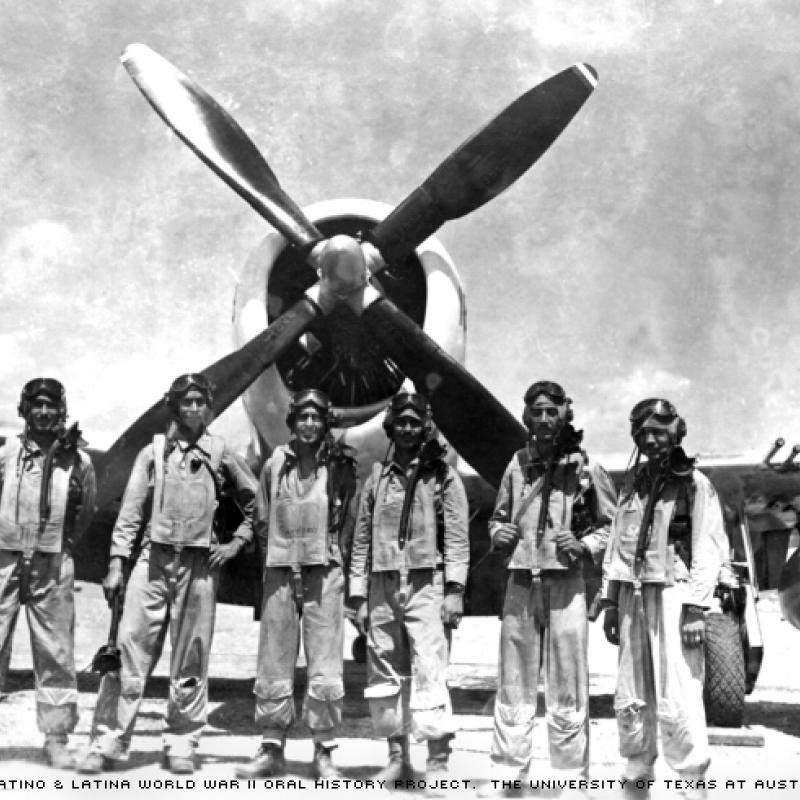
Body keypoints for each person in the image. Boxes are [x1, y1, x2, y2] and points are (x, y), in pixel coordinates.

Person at [78, 373, 257, 775]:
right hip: (152, 561)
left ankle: (181, 741)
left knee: (191, 658)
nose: (193, 409)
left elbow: (255, 502)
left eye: (200, 402)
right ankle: (107, 739)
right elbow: (130, 513)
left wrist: (235, 543)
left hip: (199, 567)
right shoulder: (152, 454)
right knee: (127, 652)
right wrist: (115, 564)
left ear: (208, 407)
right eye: (186, 402)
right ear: (175, 406)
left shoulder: (221, 453)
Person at [479, 380, 617, 796]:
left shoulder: (587, 470)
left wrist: (585, 544)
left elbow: (614, 526)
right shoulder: (517, 465)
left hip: (566, 586)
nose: (543, 419)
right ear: (527, 417)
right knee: (514, 683)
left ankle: (569, 780)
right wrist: (498, 533)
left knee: (567, 683)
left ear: (564, 417)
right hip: (521, 583)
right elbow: (498, 517)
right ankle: (509, 774)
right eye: (536, 412)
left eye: (551, 412)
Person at [602, 399, 728, 800]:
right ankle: (637, 770)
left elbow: (709, 546)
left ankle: (692, 783)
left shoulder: (695, 484)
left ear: (676, 432)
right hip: (631, 595)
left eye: (660, 430)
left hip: (676, 594)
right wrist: (609, 599)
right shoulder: (632, 483)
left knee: (679, 690)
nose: (652, 439)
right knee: (631, 688)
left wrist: (695, 608)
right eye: (644, 432)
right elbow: (616, 545)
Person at [348, 392, 469, 793]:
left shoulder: (443, 477)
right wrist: (358, 596)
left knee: (430, 668)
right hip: (382, 586)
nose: (407, 429)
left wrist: (454, 589)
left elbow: (456, 536)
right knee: (384, 674)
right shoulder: (376, 479)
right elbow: (361, 541)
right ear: (391, 426)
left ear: (425, 427)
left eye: (415, 423)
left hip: (425, 585)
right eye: (401, 422)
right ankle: (398, 758)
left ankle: (437, 759)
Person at [236, 389, 358, 779]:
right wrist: (273, 560)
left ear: (326, 423)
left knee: (325, 663)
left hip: (325, 573)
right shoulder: (275, 464)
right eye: (303, 417)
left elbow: (351, 521)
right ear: (293, 422)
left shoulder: (341, 466)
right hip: (280, 572)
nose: (309, 424)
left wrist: (339, 564)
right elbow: (261, 515)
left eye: (316, 418)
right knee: (274, 660)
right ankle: (272, 746)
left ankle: (323, 751)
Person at [0, 378, 96, 769]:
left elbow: (87, 511)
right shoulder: (4, 452)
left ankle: (56, 738)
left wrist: (60, 545)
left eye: (51, 406)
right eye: (36, 405)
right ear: (25, 410)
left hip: (52, 564)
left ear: (61, 411)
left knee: (56, 654)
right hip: (3, 558)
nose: (43, 412)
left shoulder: (79, 461)